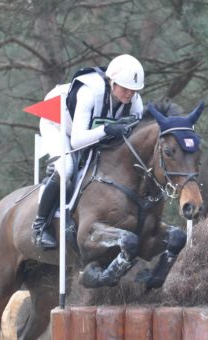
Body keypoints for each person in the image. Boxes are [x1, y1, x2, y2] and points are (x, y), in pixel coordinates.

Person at [32, 54, 145, 249]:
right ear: (112, 82)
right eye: (125, 88)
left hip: (86, 133)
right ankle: (40, 225)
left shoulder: (135, 103)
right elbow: (77, 141)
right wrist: (107, 130)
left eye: (134, 90)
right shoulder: (90, 92)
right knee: (67, 168)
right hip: (58, 125)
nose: (129, 94)